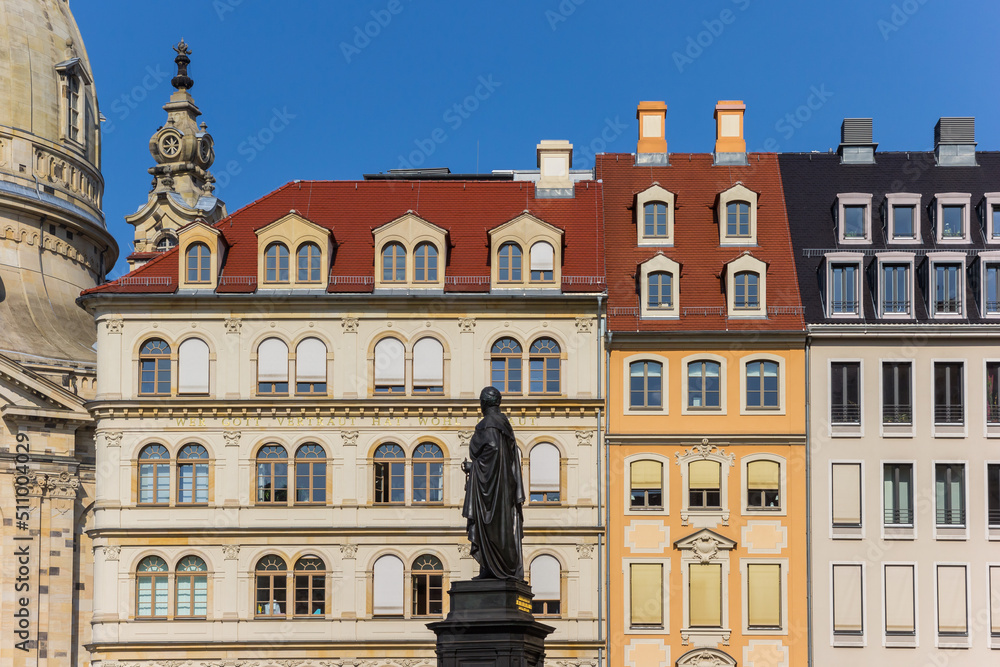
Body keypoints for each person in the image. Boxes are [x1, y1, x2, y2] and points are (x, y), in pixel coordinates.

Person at [461, 386, 525, 580]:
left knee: (489, 526)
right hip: (504, 485)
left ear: (483, 403)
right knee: (501, 527)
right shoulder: (504, 424)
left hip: (489, 487)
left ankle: (492, 568)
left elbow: (493, 449)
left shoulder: (488, 423)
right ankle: (494, 568)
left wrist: (475, 467)